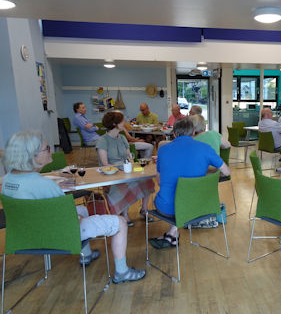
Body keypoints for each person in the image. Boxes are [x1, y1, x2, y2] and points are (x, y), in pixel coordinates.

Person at [1, 131, 146, 283]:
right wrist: (78, 218)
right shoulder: (44, 185)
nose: (51, 150)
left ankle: (87, 255)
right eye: (47, 148)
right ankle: (122, 272)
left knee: (82, 209)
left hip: (27, 234)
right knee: (120, 222)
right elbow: (70, 220)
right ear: (32, 155)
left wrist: (78, 215)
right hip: (58, 235)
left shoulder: (8, 179)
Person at [150, 118, 231, 248]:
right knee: (185, 200)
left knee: (173, 198)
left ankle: (172, 234)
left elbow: (159, 181)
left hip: (165, 208)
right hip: (196, 207)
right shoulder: (205, 148)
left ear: (174, 134)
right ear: (193, 132)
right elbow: (227, 172)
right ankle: (172, 234)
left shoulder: (163, 150)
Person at [96, 112, 155, 226]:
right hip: (111, 173)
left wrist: (132, 164)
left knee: (146, 179)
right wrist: (122, 167)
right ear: (115, 124)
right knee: (128, 183)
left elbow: (129, 157)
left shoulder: (122, 137)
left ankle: (144, 209)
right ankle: (124, 213)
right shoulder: (103, 141)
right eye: (122, 121)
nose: (125, 123)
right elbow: (104, 164)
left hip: (125, 169)